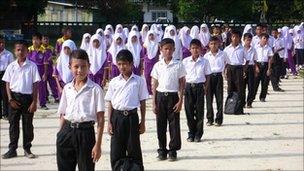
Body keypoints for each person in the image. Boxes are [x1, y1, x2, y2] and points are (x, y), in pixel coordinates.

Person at [56, 49, 105, 171]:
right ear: (70, 67)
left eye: (84, 66)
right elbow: (63, 113)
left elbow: (100, 119)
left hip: (86, 133)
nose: (80, 70)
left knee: (86, 168)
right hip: (66, 132)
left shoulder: (95, 89)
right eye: (76, 66)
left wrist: (98, 145)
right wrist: (60, 134)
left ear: (89, 66)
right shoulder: (67, 88)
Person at [105, 49, 148, 170]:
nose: (122, 67)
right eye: (119, 64)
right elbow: (110, 103)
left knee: (133, 148)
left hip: (132, 118)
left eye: (124, 63)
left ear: (131, 63)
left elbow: (143, 102)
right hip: (117, 118)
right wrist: (109, 122)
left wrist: (143, 121)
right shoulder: (114, 82)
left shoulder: (139, 81)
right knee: (116, 149)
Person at [2, 40, 40, 159]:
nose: (20, 52)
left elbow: (35, 85)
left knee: (28, 125)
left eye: (23, 50)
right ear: (14, 51)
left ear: (27, 51)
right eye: (18, 50)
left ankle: (27, 148)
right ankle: (12, 149)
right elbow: (7, 83)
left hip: (27, 98)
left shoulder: (32, 66)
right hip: (14, 97)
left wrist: (34, 102)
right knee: (13, 124)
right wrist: (10, 99)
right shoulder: (11, 66)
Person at [151, 38, 186, 161]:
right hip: (160, 96)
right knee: (160, 125)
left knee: (174, 125)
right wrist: (153, 101)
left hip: (173, 97)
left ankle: (173, 150)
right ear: (161, 50)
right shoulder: (157, 65)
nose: (168, 51)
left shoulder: (178, 64)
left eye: (170, 49)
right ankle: (162, 149)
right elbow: (154, 83)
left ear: (174, 49)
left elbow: (182, 83)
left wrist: (180, 100)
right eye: (165, 49)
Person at [182, 39, 211, 142]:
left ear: (201, 49)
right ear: (189, 49)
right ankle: (191, 133)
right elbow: (182, 77)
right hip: (189, 87)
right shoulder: (185, 61)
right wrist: (182, 89)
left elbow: (207, 76)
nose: (195, 50)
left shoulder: (205, 61)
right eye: (193, 48)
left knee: (199, 112)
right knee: (189, 111)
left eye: (197, 48)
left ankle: (198, 134)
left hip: (199, 87)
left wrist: (205, 88)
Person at [204, 36, 228, 126]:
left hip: (218, 76)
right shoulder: (206, 56)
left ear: (219, 44)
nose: (213, 45)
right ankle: (210, 119)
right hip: (209, 77)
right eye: (211, 44)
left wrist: (225, 72)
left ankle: (219, 119)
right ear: (209, 45)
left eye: (215, 43)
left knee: (219, 98)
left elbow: (227, 63)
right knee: (209, 99)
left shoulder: (223, 54)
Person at [224, 30, 248, 114]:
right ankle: (230, 107)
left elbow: (247, 60)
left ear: (239, 38)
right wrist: (225, 72)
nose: (235, 39)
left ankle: (239, 108)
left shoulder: (242, 49)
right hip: (230, 68)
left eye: (237, 37)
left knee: (240, 89)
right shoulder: (227, 49)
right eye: (233, 37)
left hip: (239, 69)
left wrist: (244, 70)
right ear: (231, 38)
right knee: (230, 88)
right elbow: (225, 62)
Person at [27, 32, 49, 110]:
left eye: (37, 39)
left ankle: (42, 104)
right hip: (31, 70)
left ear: (40, 41)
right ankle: (30, 102)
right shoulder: (29, 49)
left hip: (41, 70)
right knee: (30, 87)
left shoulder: (44, 50)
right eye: (33, 39)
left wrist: (45, 74)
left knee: (41, 88)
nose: (35, 41)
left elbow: (45, 63)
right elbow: (27, 61)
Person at [253, 33, 274, 102]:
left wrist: (269, 68)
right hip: (257, 64)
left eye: (266, 39)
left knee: (265, 83)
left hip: (265, 65)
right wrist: (256, 67)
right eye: (264, 38)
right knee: (255, 83)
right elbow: (253, 58)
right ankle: (252, 97)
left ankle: (262, 97)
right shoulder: (255, 47)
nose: (265, 40)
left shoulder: (269, 48)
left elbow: (270, 59)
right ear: (260, 39)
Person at [41, 34, 59, 103]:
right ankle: (45, 97)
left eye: (47, 39)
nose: (45, 40)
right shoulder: (40, 49)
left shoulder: (51, 48)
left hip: (50, 68)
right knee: (43, 83)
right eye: (44, 39)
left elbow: (55, 56)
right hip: (43, 68)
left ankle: (56, 96)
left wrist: (52, 57)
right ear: (41, 40)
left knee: (53, 83)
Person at [242, 33, 258, 108]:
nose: (248, 41)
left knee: (251, 86)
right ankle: (242, 102)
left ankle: (249, 102)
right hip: (242, 68)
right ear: (243, 40)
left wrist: (256, 68)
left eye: (249, 40)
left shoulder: (253, 49)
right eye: (246, 40)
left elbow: (255, 60)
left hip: (251, 68)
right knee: (242, 86)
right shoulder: (241, 49)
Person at [0, 35, 14, 119]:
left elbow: (11, 67)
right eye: (0, 43)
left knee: (5, 95)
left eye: (3, 43)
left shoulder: (9, 54)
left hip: (4, 75)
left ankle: (6, 113)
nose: (1, 44)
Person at [143, 30, 159, 95]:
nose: (151, 36)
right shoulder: (145, 45)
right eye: (150, 35)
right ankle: (148, 91)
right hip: (147, 62)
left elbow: (158, 54)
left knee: (155, 76)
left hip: (155, 62)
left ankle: (154, 90)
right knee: (147, 76)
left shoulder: (157, 45)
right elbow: (143, 54)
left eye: (152, 35)